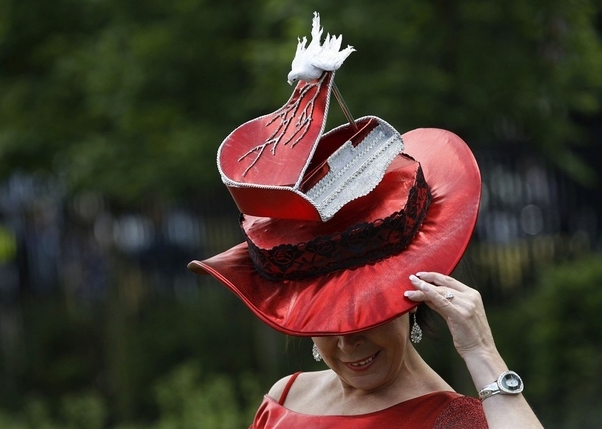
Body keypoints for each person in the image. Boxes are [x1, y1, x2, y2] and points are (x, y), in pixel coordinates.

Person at [188, 13, 544, 428]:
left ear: (408, 300)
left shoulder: (453, 420)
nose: (347, 341)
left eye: (363, 314)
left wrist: (482, 351)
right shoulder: (284, 398)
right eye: (327, 320)